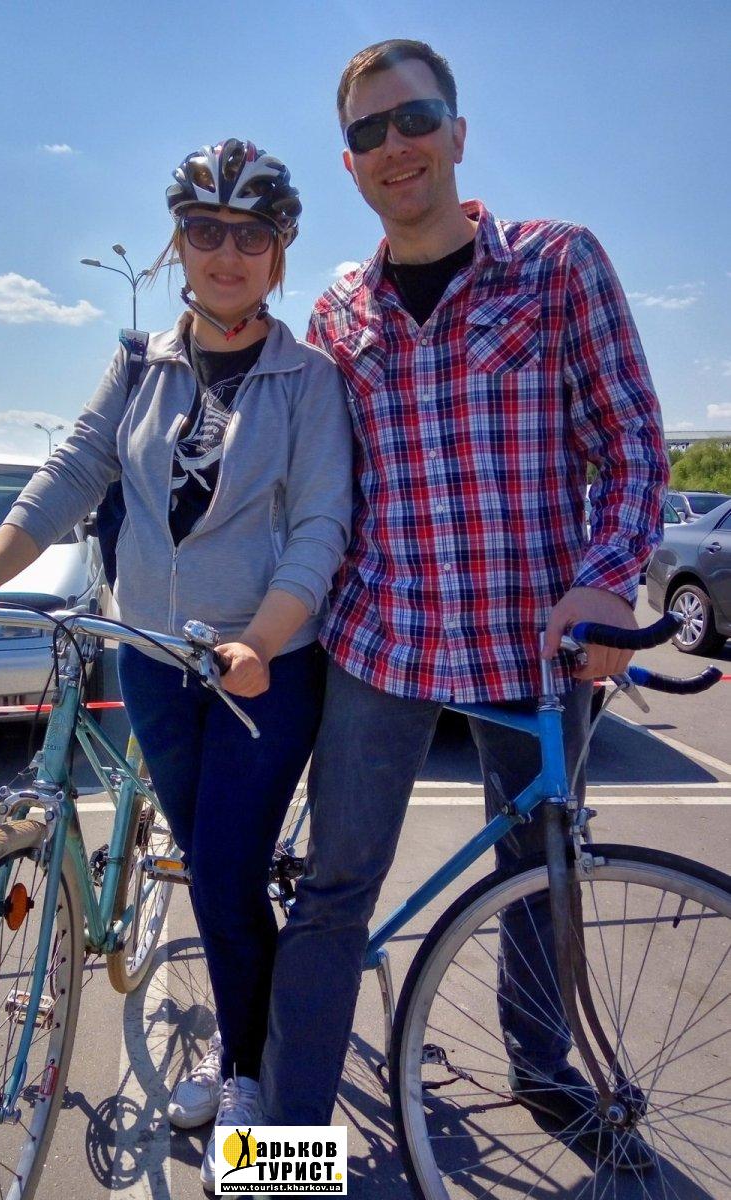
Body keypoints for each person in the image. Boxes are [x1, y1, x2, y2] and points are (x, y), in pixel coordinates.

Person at [0, 139, 352, 1192]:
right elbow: (73, 470)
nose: (227, 254)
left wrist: (265, 637)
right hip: (152, 658)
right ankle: (248, 1040)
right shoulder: (139, 363)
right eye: (205, 231)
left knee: (230, 874)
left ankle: (251, 1087)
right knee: (207, 866)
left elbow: (320, 526)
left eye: (251, 235)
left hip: (263, 670)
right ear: (177, 245)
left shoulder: (311, 380)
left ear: (281, 252)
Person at [258, 40, 669, 1166]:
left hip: (536, 647)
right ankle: (281, 1158)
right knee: (336, 889)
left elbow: (632, 440)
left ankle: (544, 1072)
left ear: (457, 131)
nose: (395, 146)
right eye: (368, 132)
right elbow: (311, 481)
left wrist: (609, 575)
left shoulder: (558, 263)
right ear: (349, 163)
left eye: (414, 118)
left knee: (540, 877)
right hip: (382, 644)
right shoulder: (339, 311)